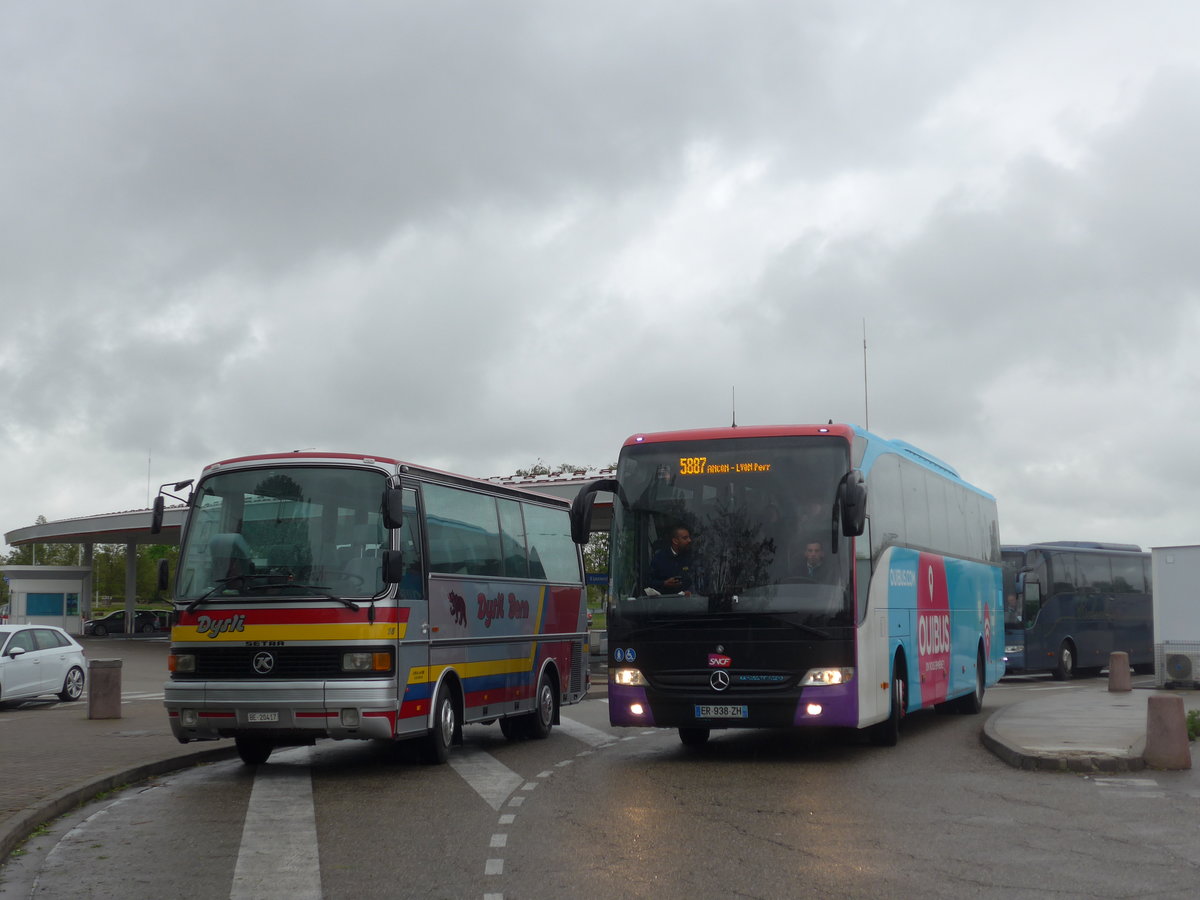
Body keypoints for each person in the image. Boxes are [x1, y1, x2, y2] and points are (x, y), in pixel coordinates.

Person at [648, 525, 694, 594]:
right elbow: (649, 582)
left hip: (690, 601)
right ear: (675, 541)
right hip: (665, 601)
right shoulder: (659, 558)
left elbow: (696, 580)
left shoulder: (692, 557)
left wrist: (690, 591)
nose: (689, 540)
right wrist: (664, 583)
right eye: (685, 538)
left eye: (689, 537)